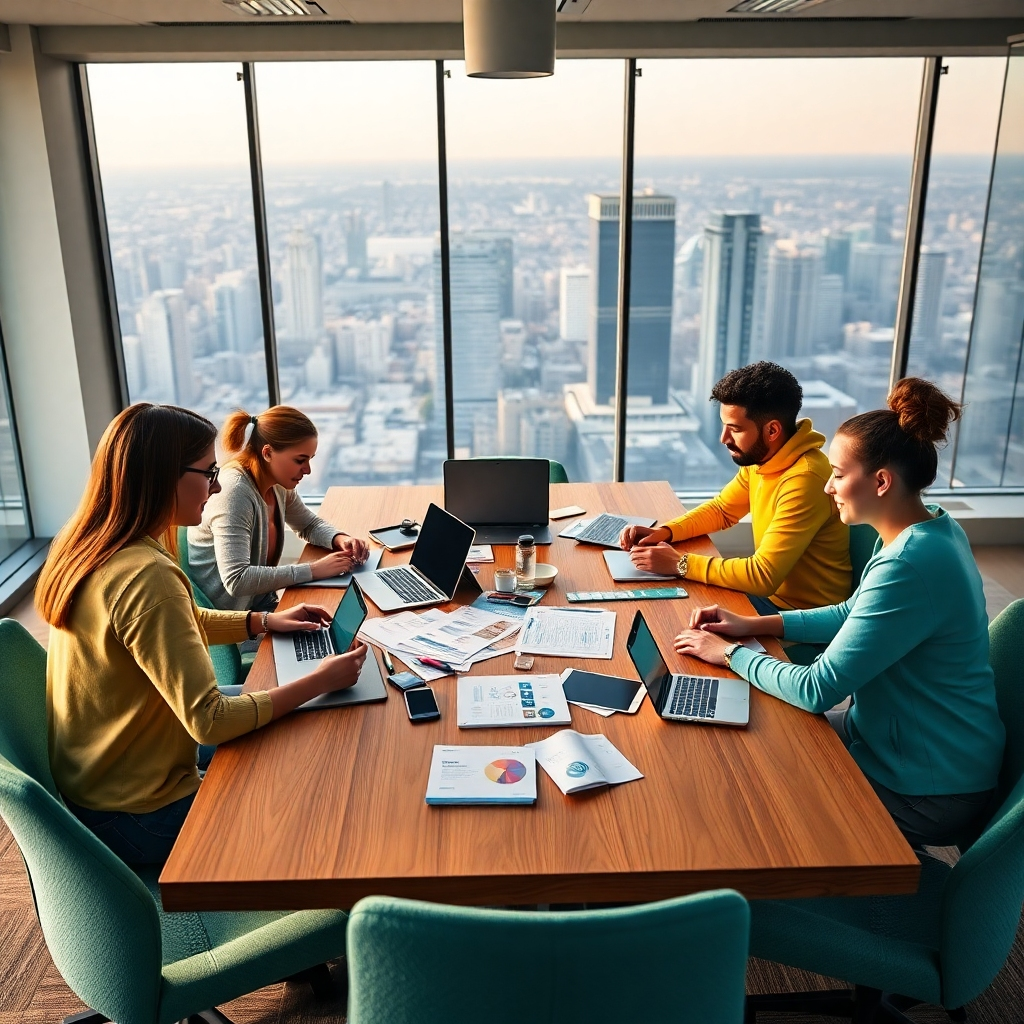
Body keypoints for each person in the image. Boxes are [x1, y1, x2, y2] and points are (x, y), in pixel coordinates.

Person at [674, 379, 1005, 849]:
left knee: (751, 804)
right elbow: (854, 610)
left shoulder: (910, 562)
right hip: (890, 742)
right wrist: (754, 625)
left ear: (881, 481)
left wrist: (729, 654)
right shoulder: (926, 529)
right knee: (754, 741)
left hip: (927, 790)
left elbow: (817, 689)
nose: (828, 486)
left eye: (837, 473)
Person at [38, 403, 368, 865]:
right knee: (320, 808)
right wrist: (319, 682)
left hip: (105, 778)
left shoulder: (96, 543)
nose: (216, 485)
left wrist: (261, 622)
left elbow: (175, 620)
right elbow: (209, 722)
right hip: (140, 813)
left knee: (304, 723)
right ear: (161, 477)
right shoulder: (145, 574)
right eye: (208, 471)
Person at [620, 362, 851, 613]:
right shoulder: (764, 459)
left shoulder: (805, 479)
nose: (724, 439)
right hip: (771, 600)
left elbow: (762, 576)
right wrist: (665, 532)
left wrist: (680, 564)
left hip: (801, 614)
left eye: (735, 429)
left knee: (674, 611)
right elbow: (722, 510)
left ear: (772, 430)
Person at [188, 406, 371, 612]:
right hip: (236, 624)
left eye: (310, 459)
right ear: (267, 453)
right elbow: (237, 580)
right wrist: (315, 570)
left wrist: (340, 539)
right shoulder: (234, 493)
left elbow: (308, 524)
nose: (308, 470)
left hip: (262, 607)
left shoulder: (277, 483)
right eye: (300, 460)